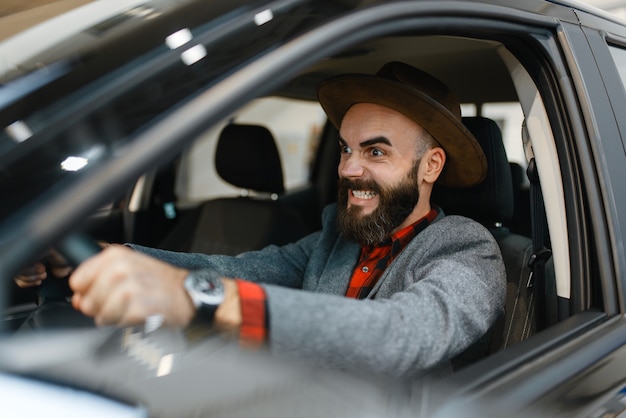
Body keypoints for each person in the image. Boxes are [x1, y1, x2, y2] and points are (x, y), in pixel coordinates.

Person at [16, 62, 506, 379]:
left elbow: (404, 335)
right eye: (346, 149)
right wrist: (95, 258)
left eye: (375, 151)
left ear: (431, 166)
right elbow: (235, 271)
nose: (349, 169)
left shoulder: (467, 250)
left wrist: (198, 300)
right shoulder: (338, 236)